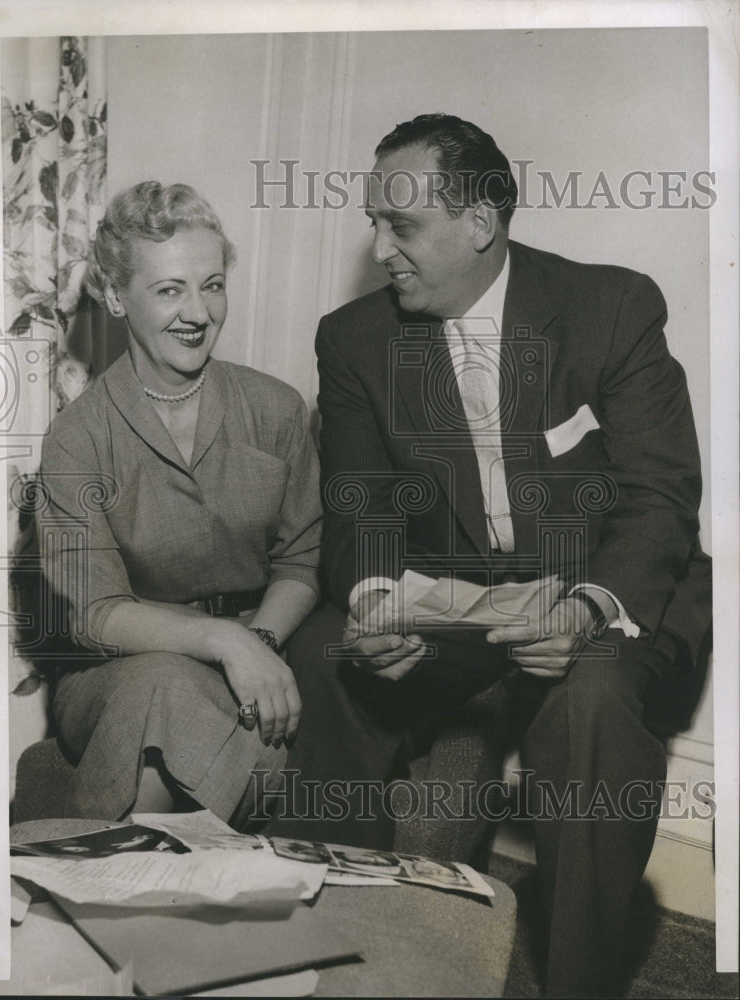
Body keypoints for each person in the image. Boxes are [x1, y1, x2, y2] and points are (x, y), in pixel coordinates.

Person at [268, 115, 712, 996]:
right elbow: (357, 514)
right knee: (324, 657)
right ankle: (342, 954)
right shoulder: (354, 339)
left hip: (603, 590)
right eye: (372, 223)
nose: (380, 247)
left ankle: (581, 981)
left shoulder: (611, 307)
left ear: (478, 223)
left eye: (401, 226)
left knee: (588, 700)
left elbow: (660, 498)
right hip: (455, 601)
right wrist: (372, 602)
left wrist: (585, 608)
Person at [37, 181, 322, 825]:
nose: (198, 311)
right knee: (162, 683)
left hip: (262, 644)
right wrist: (224, 642)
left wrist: (261, 642)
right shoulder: (78, 437)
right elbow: (97, 615)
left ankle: (140, 874)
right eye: (170, 290)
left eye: (213, 285)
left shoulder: (274, 408)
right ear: (115, 296)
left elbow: (301, 563)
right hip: (123, 671)